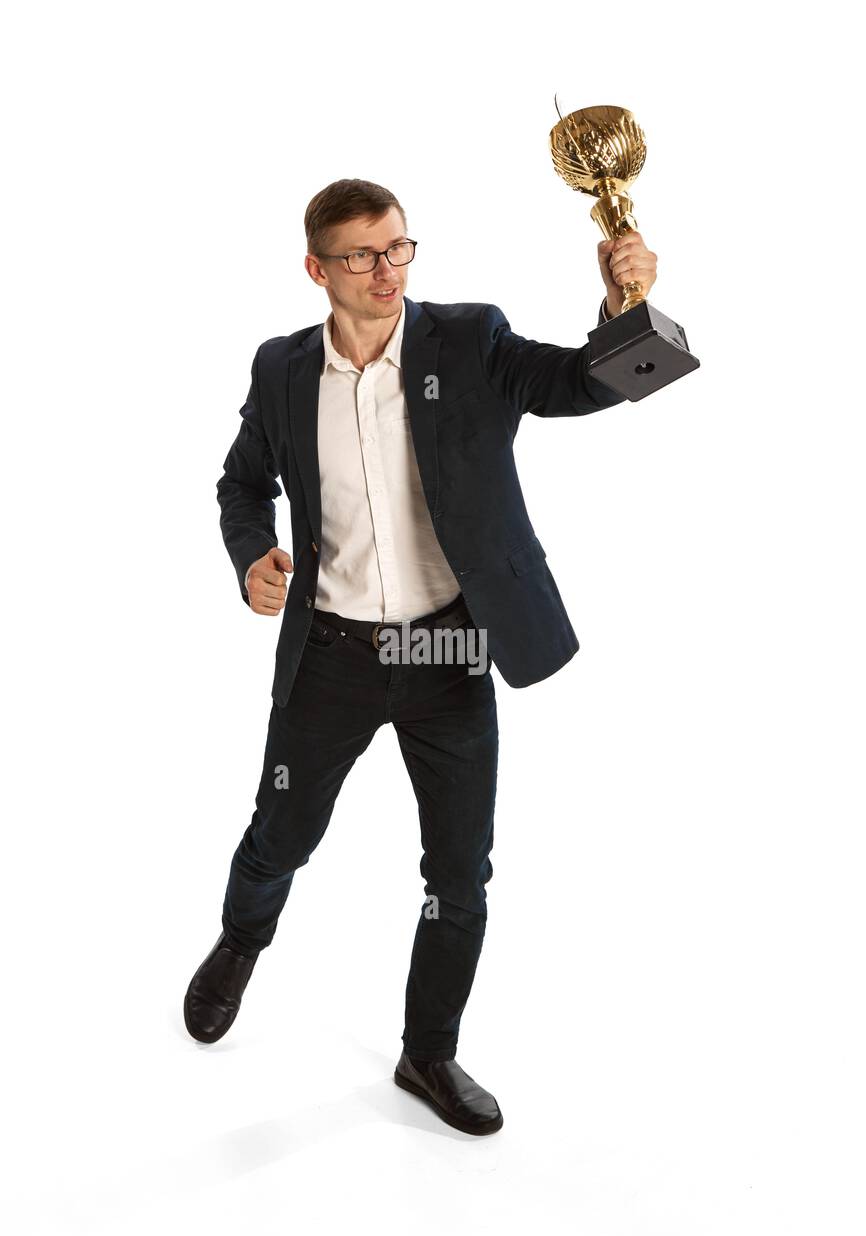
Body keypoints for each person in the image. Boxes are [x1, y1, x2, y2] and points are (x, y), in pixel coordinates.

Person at [183, 178, 658, 1137]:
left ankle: (427, 1051)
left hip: (447, 648)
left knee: (459, 872)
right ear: (317, 269)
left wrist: (623, 309)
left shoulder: (470, 340)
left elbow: (581, 385)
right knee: (281, 833)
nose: (386, 270)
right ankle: (241, 941)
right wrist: (251, 558)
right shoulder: (281, 370)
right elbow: (240, 484)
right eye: (361, 255)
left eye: (399, 247)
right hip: (332, 650)